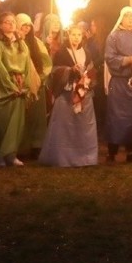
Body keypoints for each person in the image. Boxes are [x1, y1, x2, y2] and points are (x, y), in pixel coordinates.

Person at [38, 22, 99, 167]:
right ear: (68, 35)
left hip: (83, 94)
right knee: (65, 126)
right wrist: (70, 70)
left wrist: (86, 78)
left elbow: (91, 70)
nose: (76, 38)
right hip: (67, 94)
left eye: (79, 35)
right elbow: (55, 71)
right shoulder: (61, 53)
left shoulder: (86, 52)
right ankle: (63, 157)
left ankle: (85, 157)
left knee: (83, 126)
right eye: (73, 35)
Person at [0, 12, 39, 167]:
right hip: (5, 88)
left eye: (12, 22)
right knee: (1, 121)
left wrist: (26, 85)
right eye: (6, 22)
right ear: (0, 25)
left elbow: (28, 67)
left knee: (17, 123)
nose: (10, 25)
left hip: (20, 86)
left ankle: (11, 153)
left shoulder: (21, 44)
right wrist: (10, 86)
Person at [104, 6, 132, 163]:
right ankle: (112, 151)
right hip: (119, 83)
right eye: (127, 16)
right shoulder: (113, 37)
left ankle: (131, 151)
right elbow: (109, 58)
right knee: (116, 117)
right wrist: (129, 60)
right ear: (121, 18)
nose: (131, 19)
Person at [16, 13, 52, 159]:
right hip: (22, 86)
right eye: (22, 26)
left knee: (37, 117)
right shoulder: (13, 43)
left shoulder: (37, 42)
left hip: (37, 85)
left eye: (28, 26)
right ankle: (22, 147)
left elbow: (46, 63)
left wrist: (41, 78)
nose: (26, 29)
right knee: (24, 117)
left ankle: (37, 146)